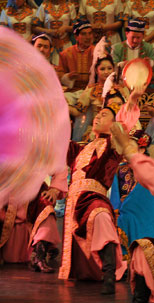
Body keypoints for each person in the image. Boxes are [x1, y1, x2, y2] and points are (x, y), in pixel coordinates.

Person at [58, 106, 128, 295]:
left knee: (101, 216)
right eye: (96, 114)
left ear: (113, 124)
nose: (97, 117)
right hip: (74, 200)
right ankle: (97, 271)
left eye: (104, 115)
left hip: (93, 195)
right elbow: (58, 142)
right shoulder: (81, 149)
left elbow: (124, 126)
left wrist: (132, 100)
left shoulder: (112, 145)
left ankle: (109, 273)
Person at [0, 172, 67, 273]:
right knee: (10, 259)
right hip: (10, 199)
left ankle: (39, 254)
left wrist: (54, 190)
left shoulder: (41, 156)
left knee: (46, 207)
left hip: (35, 194)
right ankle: (48, 248)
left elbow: (59, 168)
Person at [110, 125, 154, 302]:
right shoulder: (120, 170)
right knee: (142, 251)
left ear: (142, 148)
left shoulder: (147, 168)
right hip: (126, 214)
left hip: (144, 215)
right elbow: (116, 195)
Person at [69, 55, 115, 141]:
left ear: (114, 70)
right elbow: (78, 111)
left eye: (109, 68)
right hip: (96, 130)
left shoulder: (122, 89)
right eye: (102, 69)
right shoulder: (91, 89)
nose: (106, 72)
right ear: (96, 71)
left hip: (115, 129)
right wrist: (62, 105)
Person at [33, 0, 77, 65]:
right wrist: (48, 31)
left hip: (65, 45)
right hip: (48, 46)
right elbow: (34, 27)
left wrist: (66, 28)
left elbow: (76, 27)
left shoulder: (70, 6)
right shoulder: (44, 5)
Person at [59, 20, 96, 94]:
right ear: (76, 37)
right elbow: (59, 75)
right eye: (84, 34)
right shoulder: (66, 54)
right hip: (72, 91)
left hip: (93, 91)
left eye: (90, 33)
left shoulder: (98, 52)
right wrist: (68, 77)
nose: (88, 37)